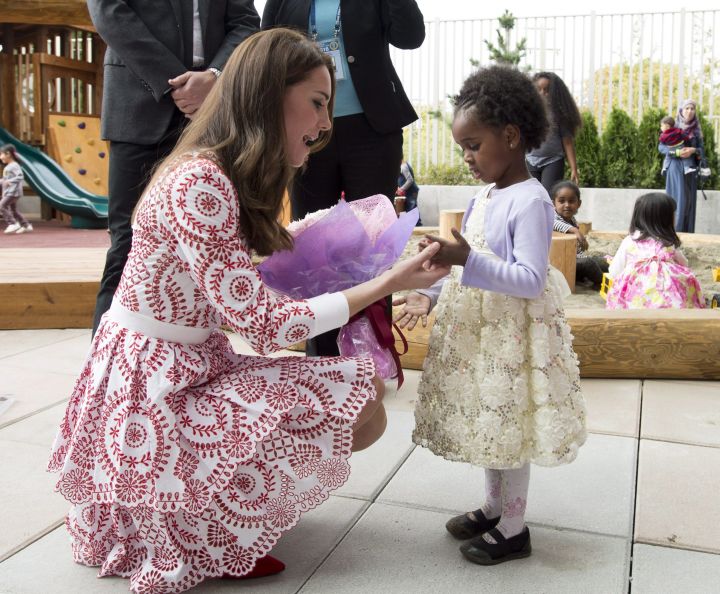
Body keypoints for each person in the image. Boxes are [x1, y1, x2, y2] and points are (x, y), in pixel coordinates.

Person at [47, 29, 449, 594]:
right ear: (266, 96)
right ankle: (204, 534)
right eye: (316, 103)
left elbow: (239, 275)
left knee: (360, 403)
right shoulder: (201, 182)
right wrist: (387, 281)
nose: (325, 124)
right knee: (358, 402)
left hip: (179, 365)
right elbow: (265, 325)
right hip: (157, 388)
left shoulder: (216, 171)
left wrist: (329, 242)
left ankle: (208, 518)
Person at [394, 65, 586, 565]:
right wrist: (430, 293)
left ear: (511, 135)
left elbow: (528, 278)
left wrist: (466, 260)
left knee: (511, 421)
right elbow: (466, 256)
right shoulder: (486, 195)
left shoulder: (533, 201)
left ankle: (515, 528)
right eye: (463, 147)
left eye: (474, 145)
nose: (467, 157)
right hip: (481, 332)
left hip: (511, 335)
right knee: (490, 418)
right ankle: (494, 506)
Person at [262, 0, 426, 357]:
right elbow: (266, 51)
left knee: (371, 246)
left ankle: (374, 354)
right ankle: (321, 354)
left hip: (371, 130)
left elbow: (411, 37)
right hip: (304, 130)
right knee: (311, 246)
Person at [87, 0, 260, 334]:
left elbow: (245, 22)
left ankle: (184, 368)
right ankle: (102, 374)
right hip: (139, 107)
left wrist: (215, 77)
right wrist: (174, 84)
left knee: (214, 237)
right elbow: (109, 13)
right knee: (126, 243)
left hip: (212, 113)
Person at [606, 192, 704, 310]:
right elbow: (684, 264)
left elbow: (614, 271)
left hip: (634, 305)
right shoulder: (667, 243)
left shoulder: (630, 241)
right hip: (669, 304)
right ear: (666, 220)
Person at [526, 71, 582, 192]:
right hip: (531, 160)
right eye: (539, 89)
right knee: (531, 197)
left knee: (548, 197)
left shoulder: (559, 114)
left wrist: (574, 168)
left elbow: (567, 142)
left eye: (547, 90)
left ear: (554, 93)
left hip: (553, 161)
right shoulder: (527, 113)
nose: (543, 93)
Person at [658, 99, 706, 233]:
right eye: (686, 108)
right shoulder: (672, 127)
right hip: (674, 167)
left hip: (690, 169)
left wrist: (693, 150)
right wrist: (677, 152)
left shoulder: (697, 131)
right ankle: (672, 233)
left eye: (692, 108)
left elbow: (701, 150)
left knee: (688, 203)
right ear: (681, 110)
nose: (689, 111)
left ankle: (687, 234)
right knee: (675, 200)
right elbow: (661, 147)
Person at [551, 180, 608, 289]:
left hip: (574, 260)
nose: (567, 205)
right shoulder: (551, 217)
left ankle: (614, 275)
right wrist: (575, 230)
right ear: (554, 204)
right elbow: (554, 223)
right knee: (589, 263)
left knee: (600, 260)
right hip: (559, 266)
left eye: (571, 201)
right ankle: (602, 285)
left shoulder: (571, 219)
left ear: (579, 204)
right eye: (562, 201)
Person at [0, 144, 33, 234]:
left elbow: (20, 176)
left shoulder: (14, 165)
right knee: (14, 210)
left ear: (8, 154)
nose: (0, 157)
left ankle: (12, 223)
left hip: (13, 192)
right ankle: (26, 225)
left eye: (1, 154)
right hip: (10, 192)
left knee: (2, 205)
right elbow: (6, 180)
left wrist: (10, 180)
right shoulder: (8, 166)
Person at [397, 156, 422, 224]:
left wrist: (401, 189)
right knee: (410, 208)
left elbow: (410, 180)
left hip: (412, 191)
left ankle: (417, 225)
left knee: (412, 208)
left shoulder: (403, 166)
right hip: (408, 191)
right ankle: (415, 225)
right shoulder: (401, 166)